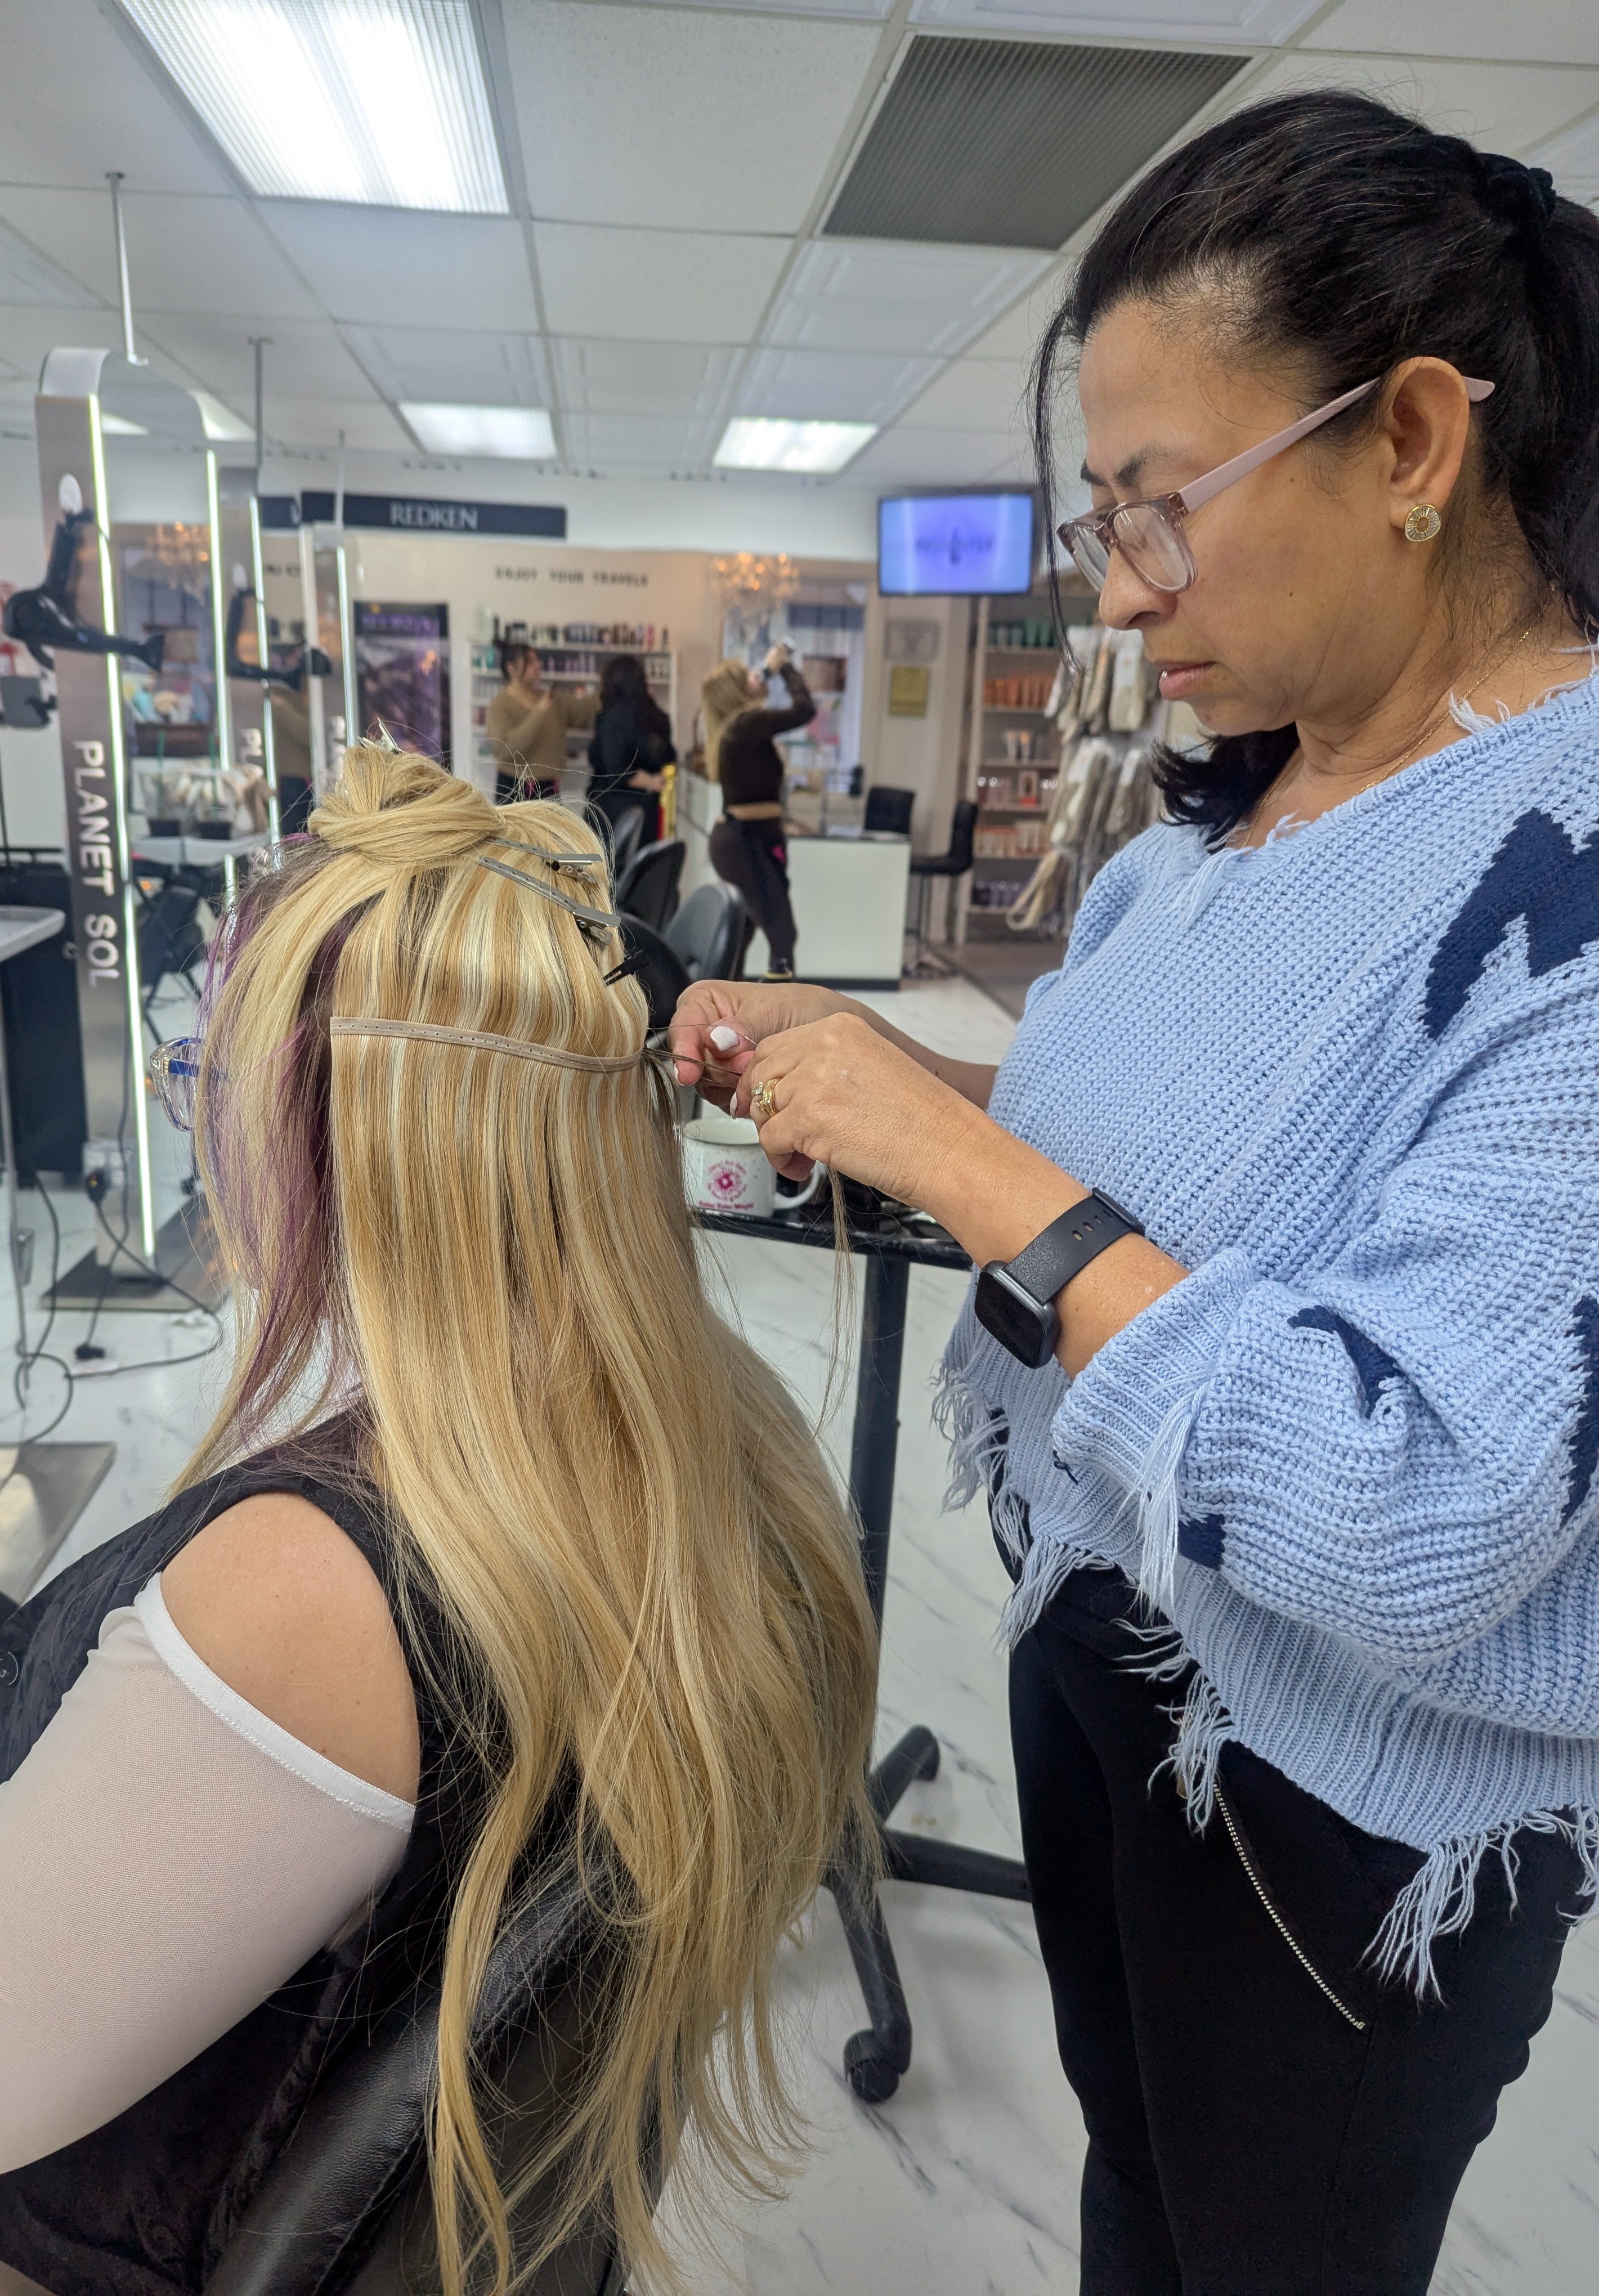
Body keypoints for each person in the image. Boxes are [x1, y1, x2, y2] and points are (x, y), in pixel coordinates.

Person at [670, 92, 1599, 2295]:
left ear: (1411, 441)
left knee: (1269, 2249)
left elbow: (1427, 1507)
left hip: (1338, 1796)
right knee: (1136, 2187)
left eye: (1161, 513)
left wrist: (966, 1158)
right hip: (1115, 1630)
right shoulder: (1228, 821)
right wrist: (906, 1079)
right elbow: (1158, 1173)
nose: (1118, 587)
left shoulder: (1560, 871)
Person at [0, 745, 877, 2295]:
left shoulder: (309, 1591)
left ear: (314, 1131)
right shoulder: (718, 1439)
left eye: (206, 1075)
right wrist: (39, 1708)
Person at [701, 644, 814, 980]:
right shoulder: (746, 723)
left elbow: (754, 793)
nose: (758, 674)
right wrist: (784, 669)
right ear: (738, 690)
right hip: (743, 842)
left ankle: (729, 1011)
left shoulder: (741, 729)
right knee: (782, 934)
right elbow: (804, 710)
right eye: (749, 675)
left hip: (749, 838)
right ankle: (772, 1017)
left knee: (744, 935)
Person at [484, 635, 595, 802]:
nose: (538, 666)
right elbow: (506, 750)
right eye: (529, 662)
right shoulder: (500, 705)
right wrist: (539, 712)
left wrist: (610, 689)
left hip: (548, 788)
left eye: (537, 660)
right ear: (511, 669)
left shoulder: (552, 699)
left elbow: (583, 711)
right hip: (514, 788)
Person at [586, 651, 674, 848]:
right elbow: (668, 756)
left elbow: (617, 770)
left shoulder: (612, 716)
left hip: (613, 814)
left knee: (608, 875)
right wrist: (652, 781)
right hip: (648, 812)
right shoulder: (658, 716)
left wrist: (648, 781)